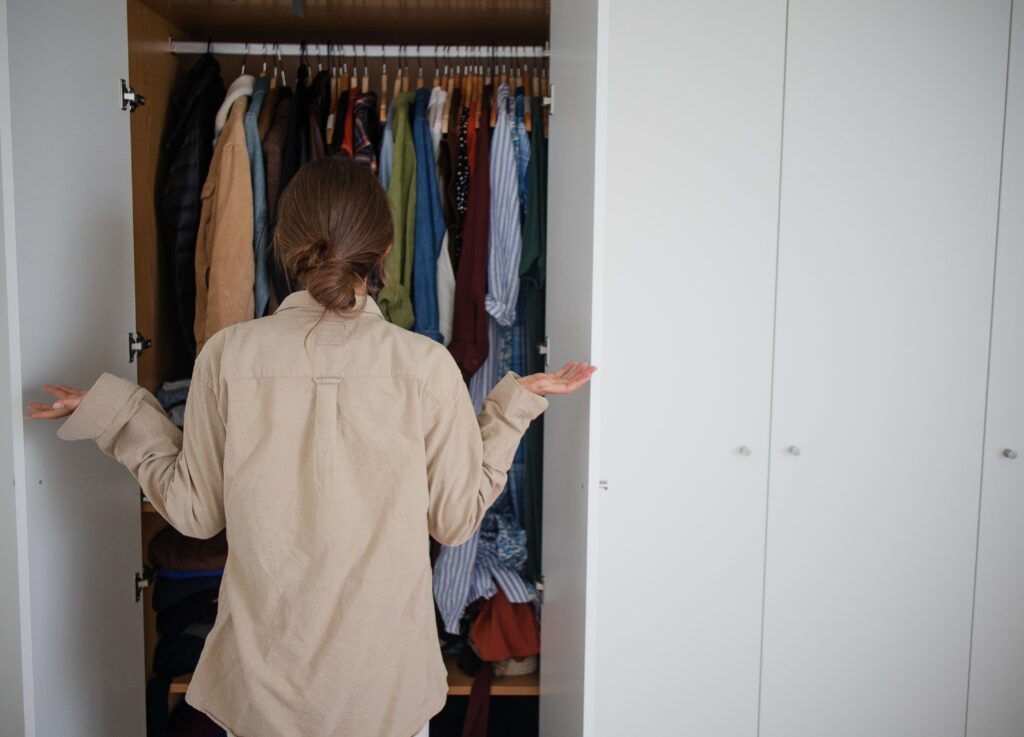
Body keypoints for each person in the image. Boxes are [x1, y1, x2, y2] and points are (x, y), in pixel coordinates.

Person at [27, 156, 595, 737]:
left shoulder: (228, 354)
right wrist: (509, 410)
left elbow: (197, 514)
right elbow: (453, 521)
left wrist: (121, 415)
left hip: (262, 687)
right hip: (385, 689)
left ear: (284, 243)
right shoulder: (425, 365)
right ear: (385, 250)